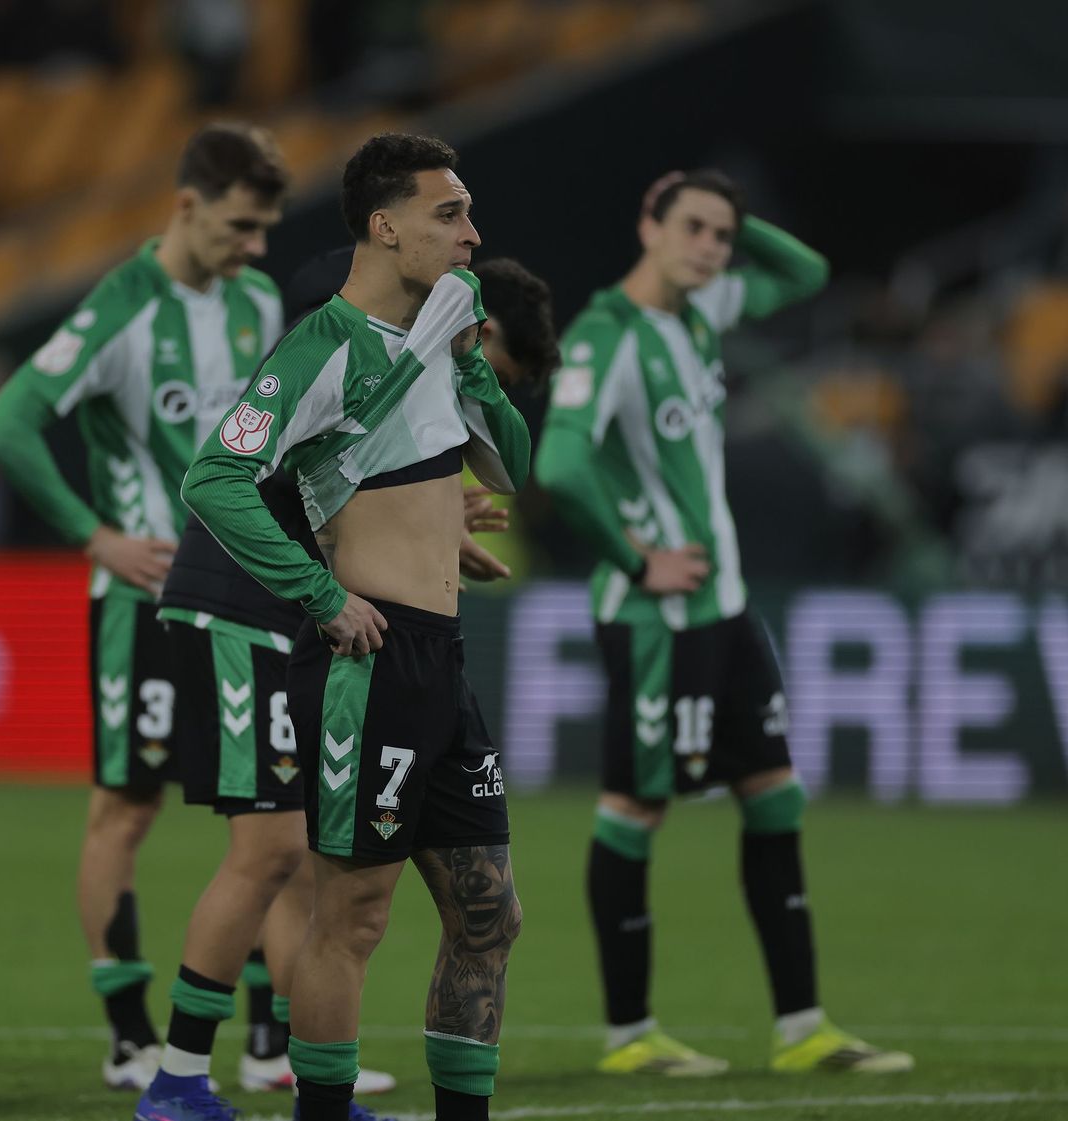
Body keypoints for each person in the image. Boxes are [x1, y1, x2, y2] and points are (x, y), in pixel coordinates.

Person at [135, 254, 554, 1118]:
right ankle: (182, 1075)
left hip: (386, 635)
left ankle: (267, 1050)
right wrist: (332, 584)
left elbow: (406, 467)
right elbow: (263, 468)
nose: (467, 236)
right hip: (255, 609)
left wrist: (430, 523)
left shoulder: (431, 359)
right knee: (275, 854)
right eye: (449, 214)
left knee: (442, 899)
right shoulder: (342, 336)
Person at [534, 169, 913, 1076]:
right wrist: (637, 559)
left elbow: (808, 273)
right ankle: (630, 1034)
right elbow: (559, 464)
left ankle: (804, 1027)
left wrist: (734, 219)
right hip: (656, 617)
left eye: (722, 235)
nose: (710, 248)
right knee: (637, 805)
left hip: (726, 607)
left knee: (775, 793)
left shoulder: (700, 310)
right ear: (648, 225)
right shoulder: (606, 335)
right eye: (693, 227)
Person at [0, 122, 287, 1090]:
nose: (256, 247)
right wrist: (93, 532)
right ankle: (127, 1035)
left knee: (275, 811)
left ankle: (271, 1045)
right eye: (239, 226)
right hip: (144, 601)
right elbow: (8, 423)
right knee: (126, 807)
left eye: (265, 229)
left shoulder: (258, 301)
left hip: (247, 597)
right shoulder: (121, 306)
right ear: (187, 205)